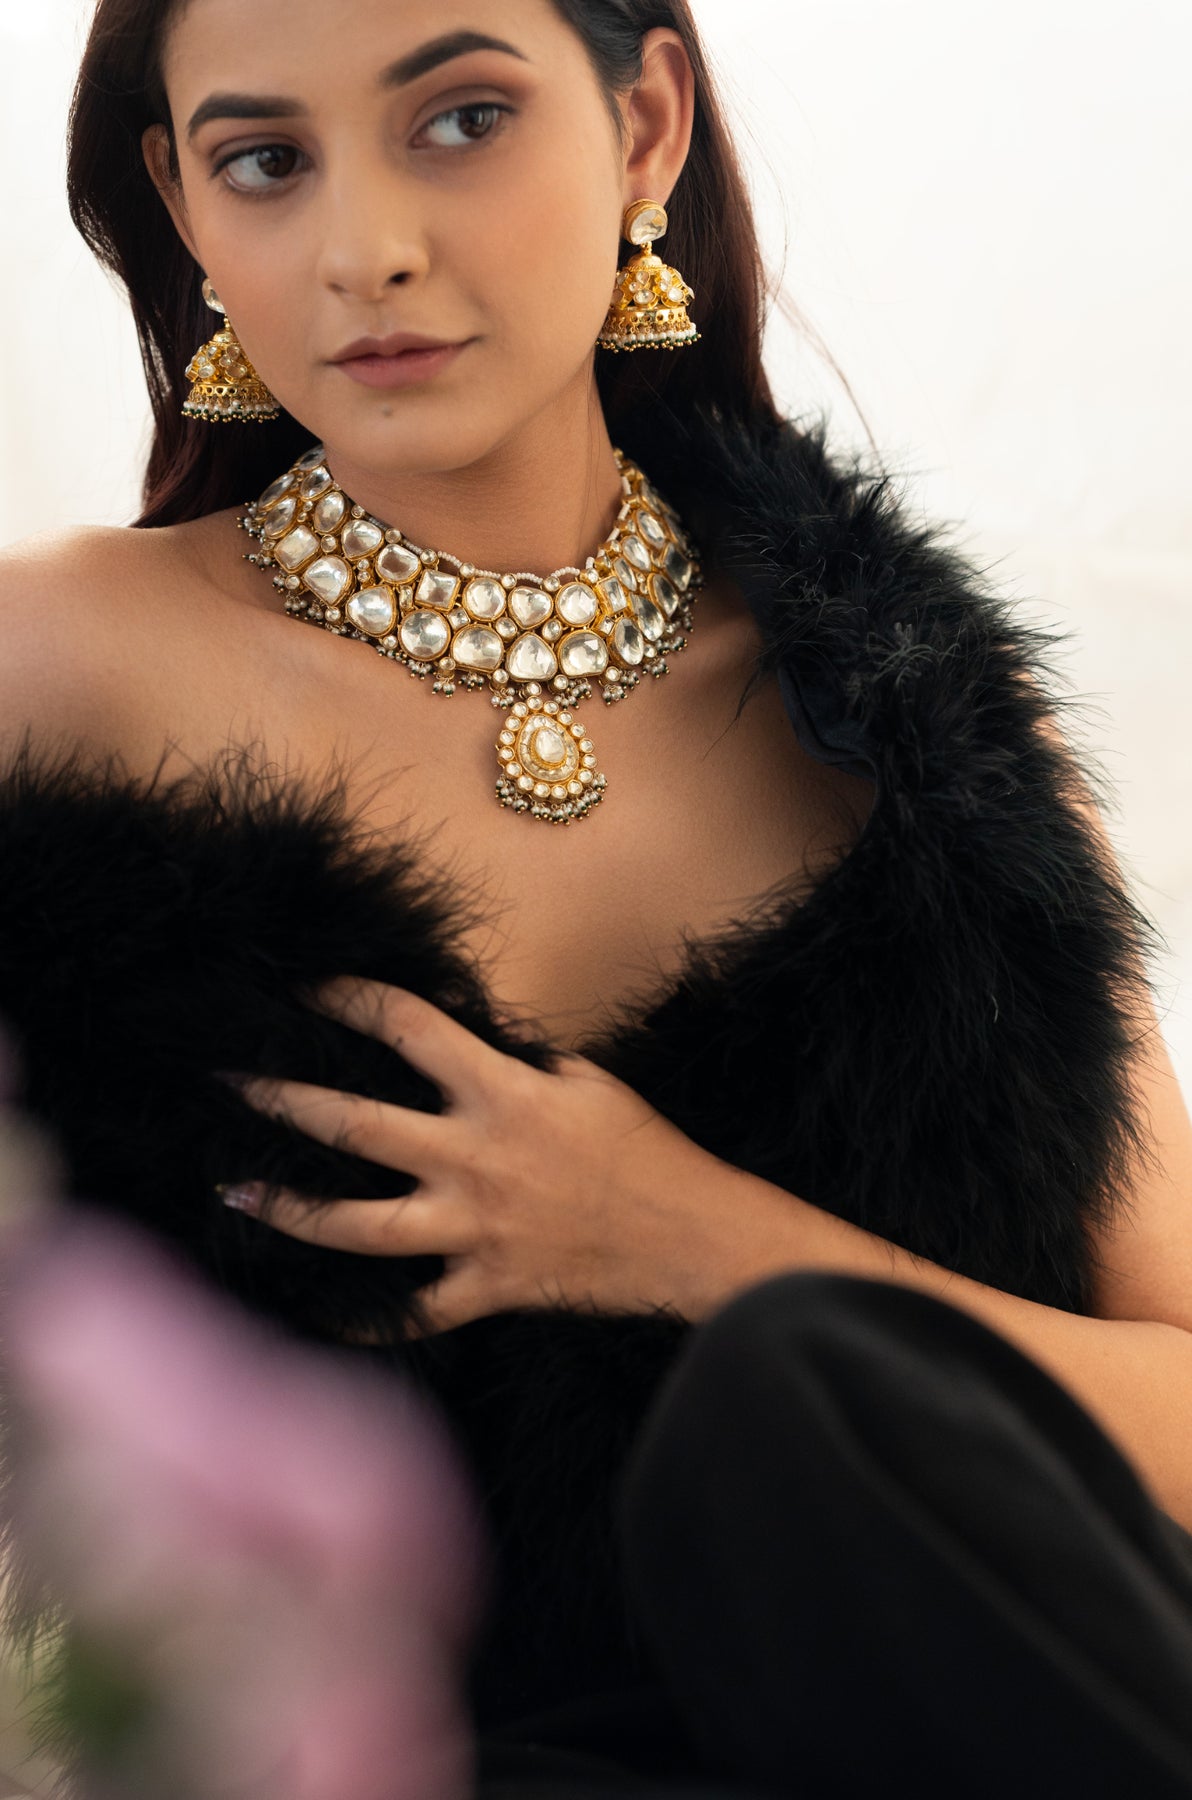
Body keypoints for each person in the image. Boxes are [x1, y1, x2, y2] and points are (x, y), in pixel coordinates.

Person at [2, 0, 1192, 1793]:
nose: (367, 247)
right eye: (265, 161)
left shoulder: (931, 737)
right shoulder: (51, 675)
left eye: (460, 119)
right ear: (181, 202)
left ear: (645, 127)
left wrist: (688, 1238)